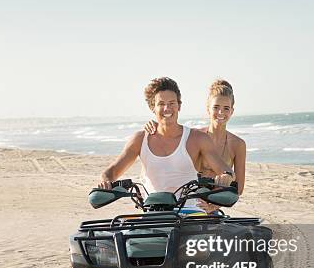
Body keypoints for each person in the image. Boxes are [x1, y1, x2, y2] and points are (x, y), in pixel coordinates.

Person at [98, 77, 234, 200]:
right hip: (152, 213)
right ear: (153, 108)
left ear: (179, 106)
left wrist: (226, 176)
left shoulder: (198, 139)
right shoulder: (139, 140)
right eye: (161, 104)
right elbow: (113, 171)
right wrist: (105, 181)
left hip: (189, 212)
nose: (167, 108)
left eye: (172, 103)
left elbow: (226, 171)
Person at [144, 79, 246, 212]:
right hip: (187, 202)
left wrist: (213, 207)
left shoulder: (238, 144)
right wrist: (154, 126)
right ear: (208, 109)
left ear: (232, 111)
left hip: (215, 204)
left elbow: (238, 188)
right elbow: (170, 134)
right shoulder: (194, 137)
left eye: (226, 108)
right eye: (216, 107)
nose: (221, 112)